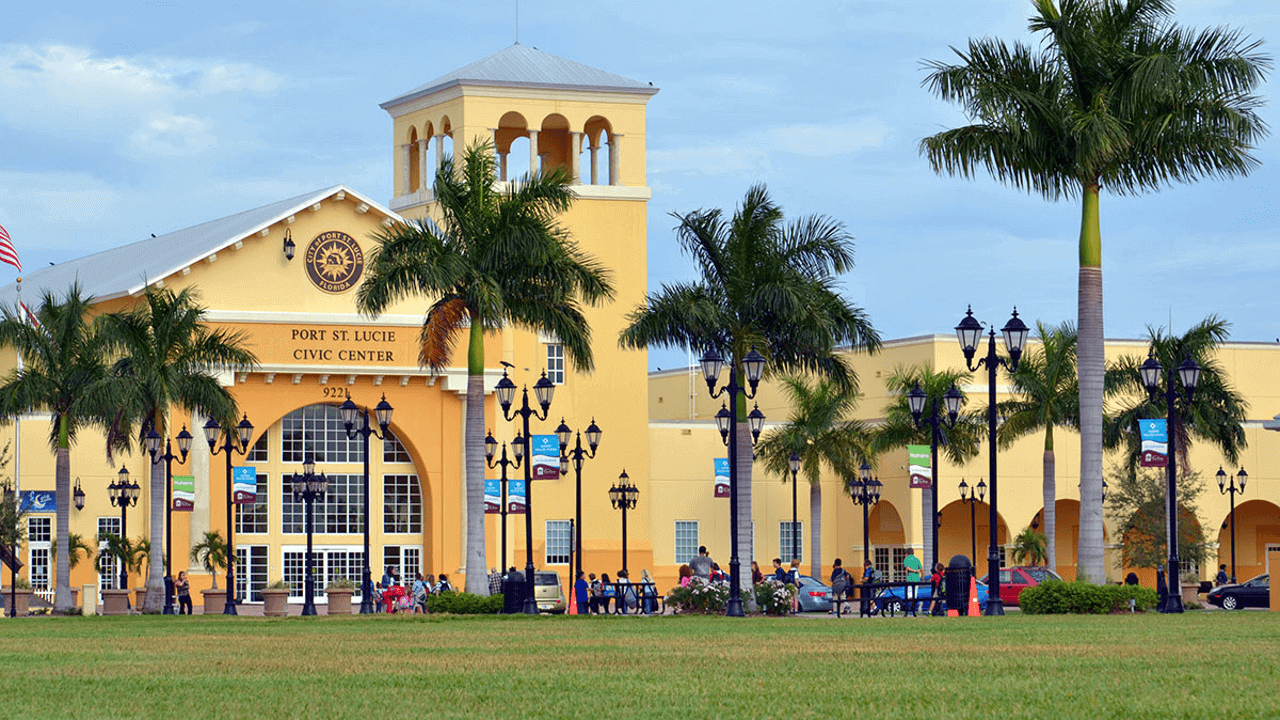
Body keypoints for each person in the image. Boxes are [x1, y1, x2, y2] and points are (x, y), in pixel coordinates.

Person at [903, 548, 923, 616]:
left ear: (907, 553)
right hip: (917, 579)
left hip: (910, 579)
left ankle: (915, 605)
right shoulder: (917, 559)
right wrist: (922, 578)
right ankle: (914, 608)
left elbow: (907, 568)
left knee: (909, 595)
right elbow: (921, 569)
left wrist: (913, 570)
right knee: (914, 594)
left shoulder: (906, 559)